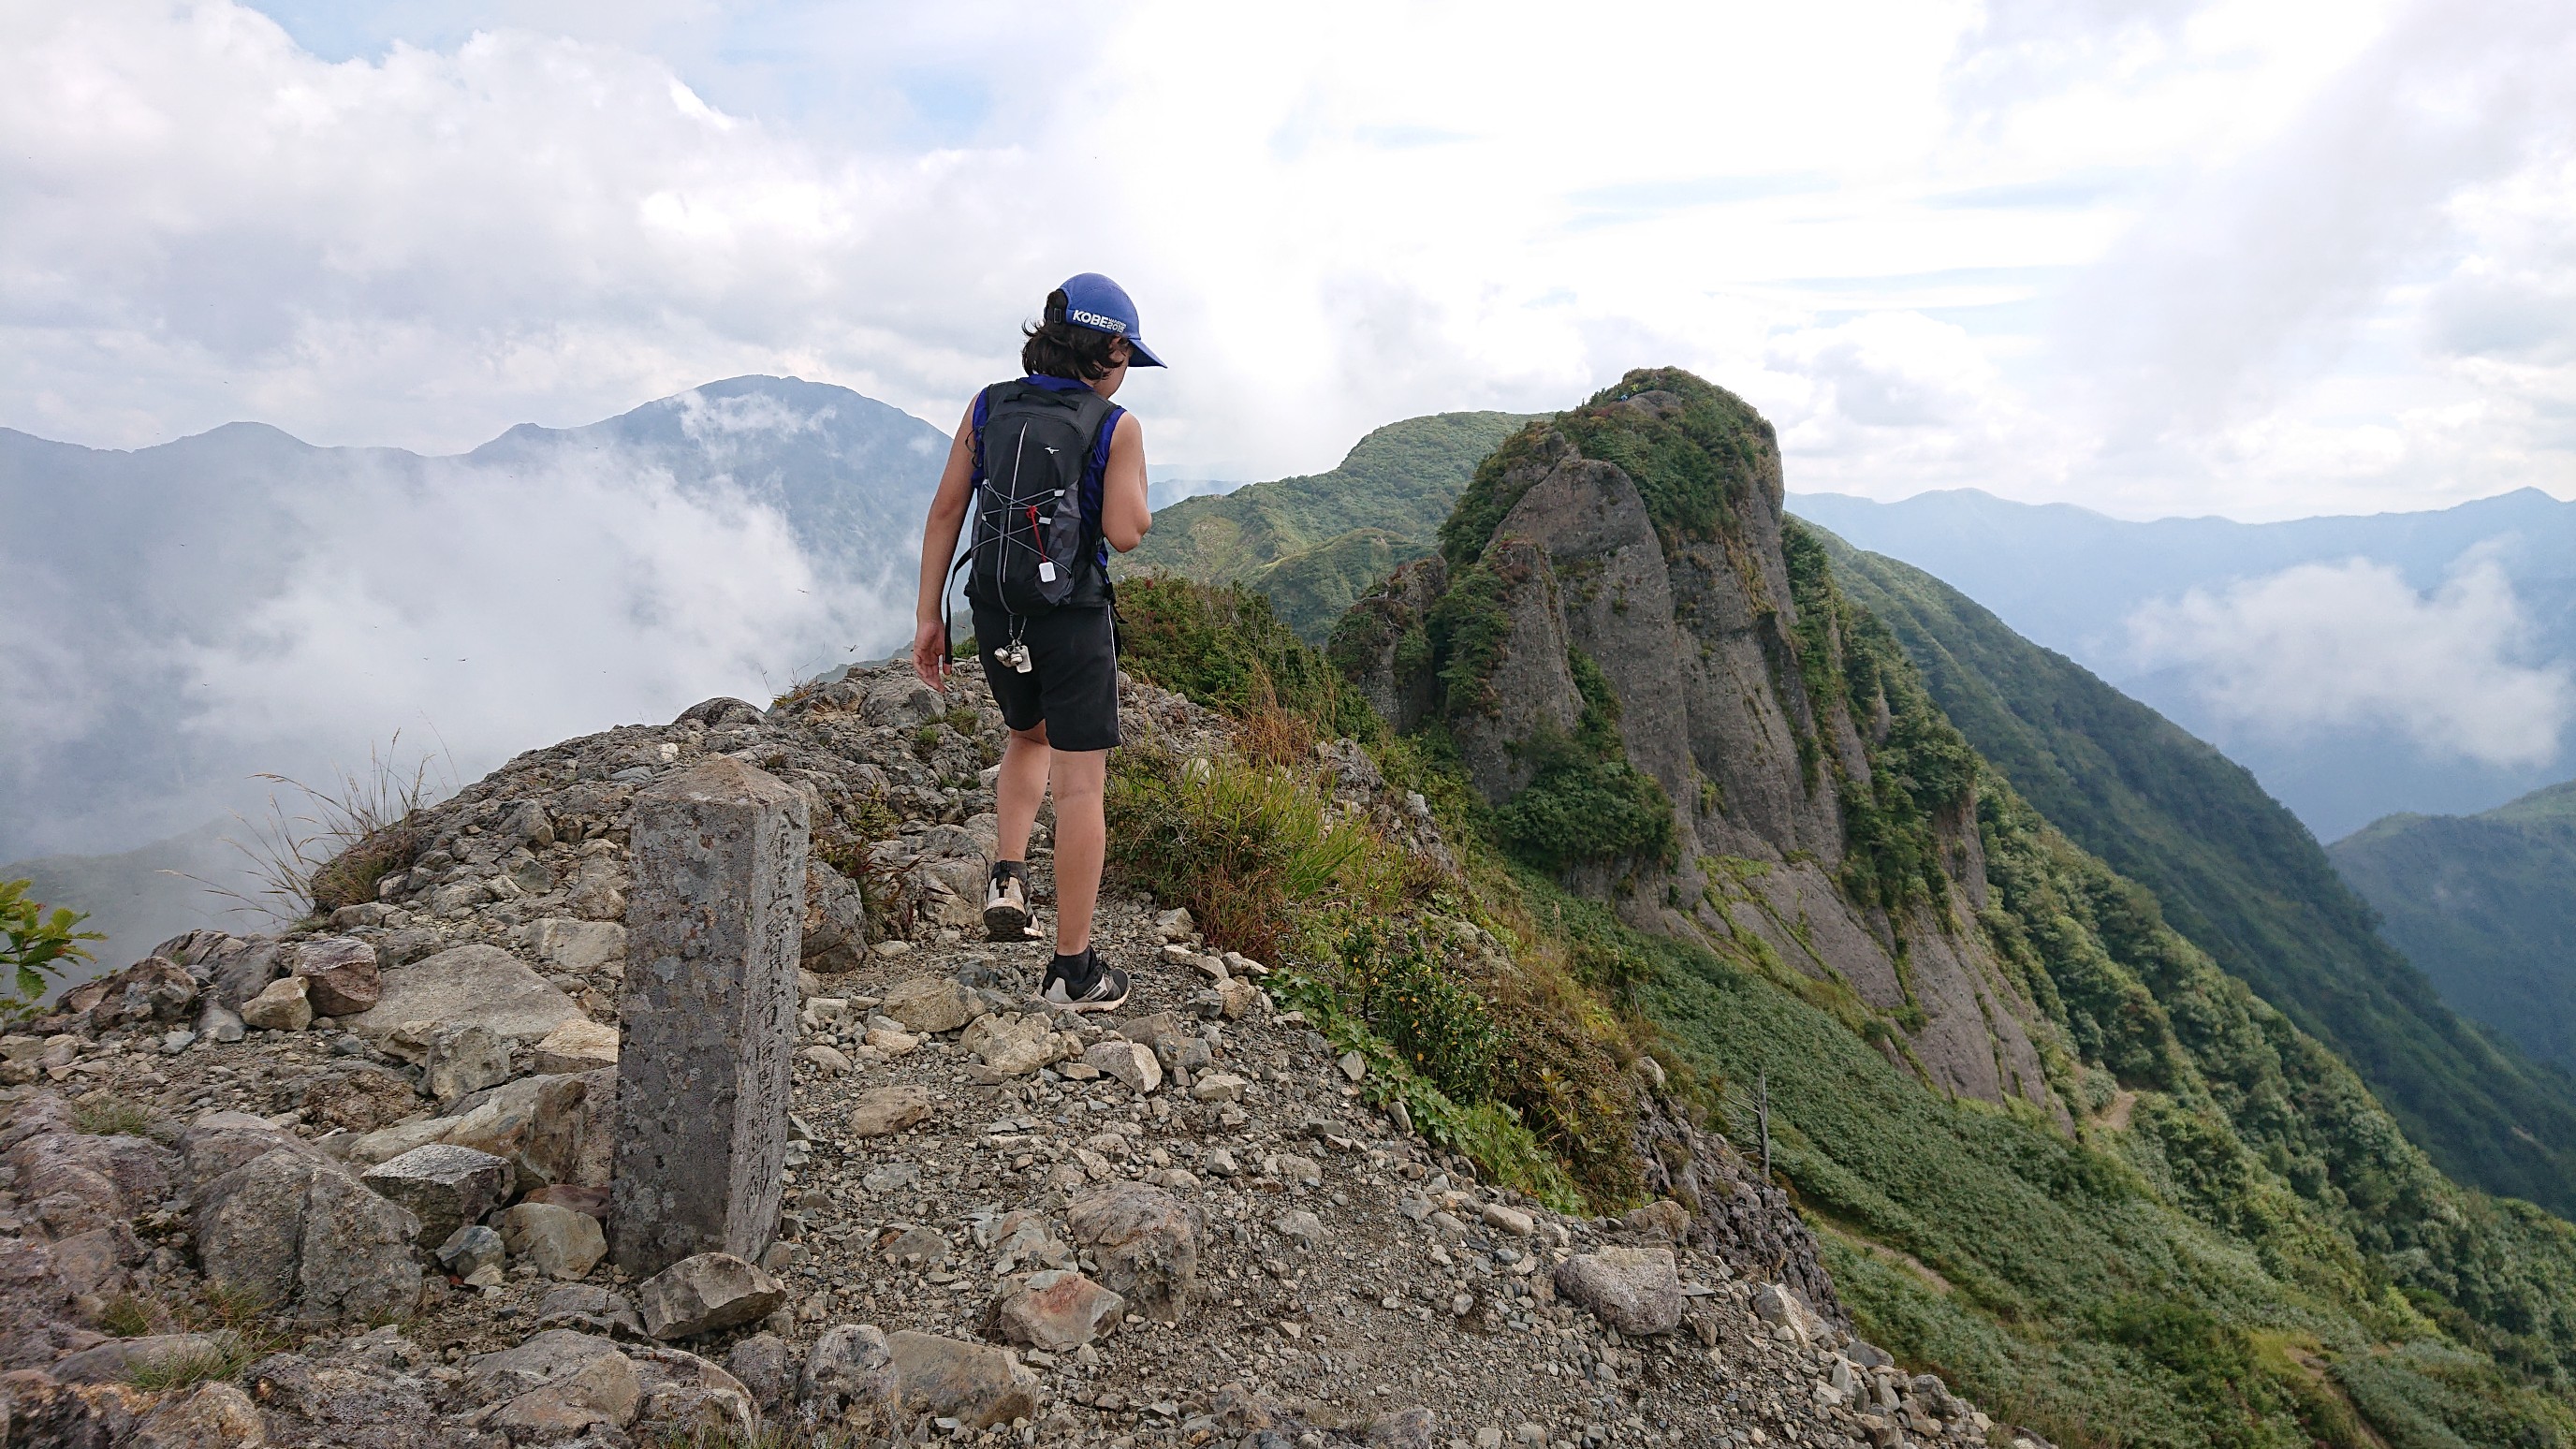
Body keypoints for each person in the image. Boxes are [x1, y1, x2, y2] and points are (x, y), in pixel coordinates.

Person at [911, 273, 1162, 1013]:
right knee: (1081, 786)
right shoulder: (1115, 425)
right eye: (1127, 356)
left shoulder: (987, 405)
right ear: (1110, 347)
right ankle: (1072, 972)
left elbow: (945, 512)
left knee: (1027, 734)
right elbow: (1126, 531)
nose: (1126, 371)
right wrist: (1135, 475)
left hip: (994, 609)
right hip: (1071, 617)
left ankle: (1007, 876)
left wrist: (931, 620)